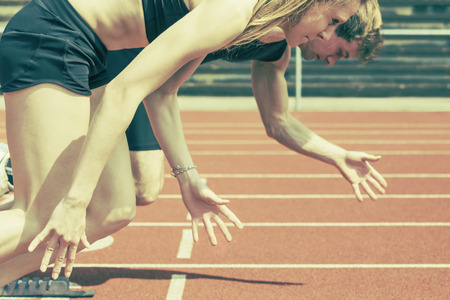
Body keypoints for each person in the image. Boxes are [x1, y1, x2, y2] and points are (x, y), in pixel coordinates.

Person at [0, 0, 376, 286]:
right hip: (55, 34)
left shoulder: (249, 25)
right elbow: (122, 94)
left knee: (113, 210)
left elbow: (162, 94)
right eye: (332, 22)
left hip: (94, 51)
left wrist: (187, 176)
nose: (327, 36)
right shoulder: (233, 12)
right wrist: (74, 201)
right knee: (46, 217)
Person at [107, 1, 384, 207]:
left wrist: (336, 156)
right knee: (131, 192)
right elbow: (164, 91)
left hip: (146, 68)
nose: (332, 61)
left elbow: (278, 121)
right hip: (123, 45)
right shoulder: (247, 13)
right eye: (341, 52)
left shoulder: (276, 50)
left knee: (140, 190)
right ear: (331, 24)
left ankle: (78, 216)